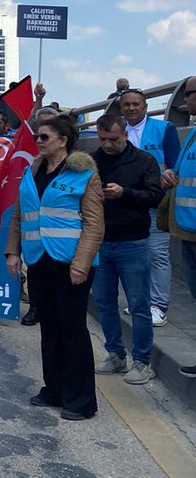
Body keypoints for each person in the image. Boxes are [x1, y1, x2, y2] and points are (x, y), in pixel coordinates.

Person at [5, 114, 104, 420]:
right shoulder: (31, 172)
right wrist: (13, 253)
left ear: (63, 141)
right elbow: (20, 216)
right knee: (49, 327)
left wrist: (81, 263)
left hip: (69, 263)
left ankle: (81, 400)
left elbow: (94, 224)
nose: (38, 141)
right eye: (38, 136)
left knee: (72, 329)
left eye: (44, 137)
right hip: (38, 260)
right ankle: (55, 388)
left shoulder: (85, 175)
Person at [91, 112, 163, 385]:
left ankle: (143, 362)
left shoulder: (144, 161)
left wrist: (125, 193)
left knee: (138, 304)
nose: (107, 145)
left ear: (125, 135)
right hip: (100, 240)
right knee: (105, 303)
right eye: (102, 139)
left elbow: (155, 196)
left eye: (112, 139)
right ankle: (115, 354)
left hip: (132, 241)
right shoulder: (93, 161)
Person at [117, 88, 180, 326]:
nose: (131, 108)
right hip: (127, 202)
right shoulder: (118, 130)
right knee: (135, 255)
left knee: (157, 254)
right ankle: (140, 302)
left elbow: (174, 163)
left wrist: (171, 174)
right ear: (121, 108)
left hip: (155, 201)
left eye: (136, 104)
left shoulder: (164, 129)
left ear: (144, 106)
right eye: (126, 105)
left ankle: (159, 305)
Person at [157, 76, 196, 378]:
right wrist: (171, 174)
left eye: (190, 95)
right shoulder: (193, 135)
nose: (186, 102)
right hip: (187, 229)